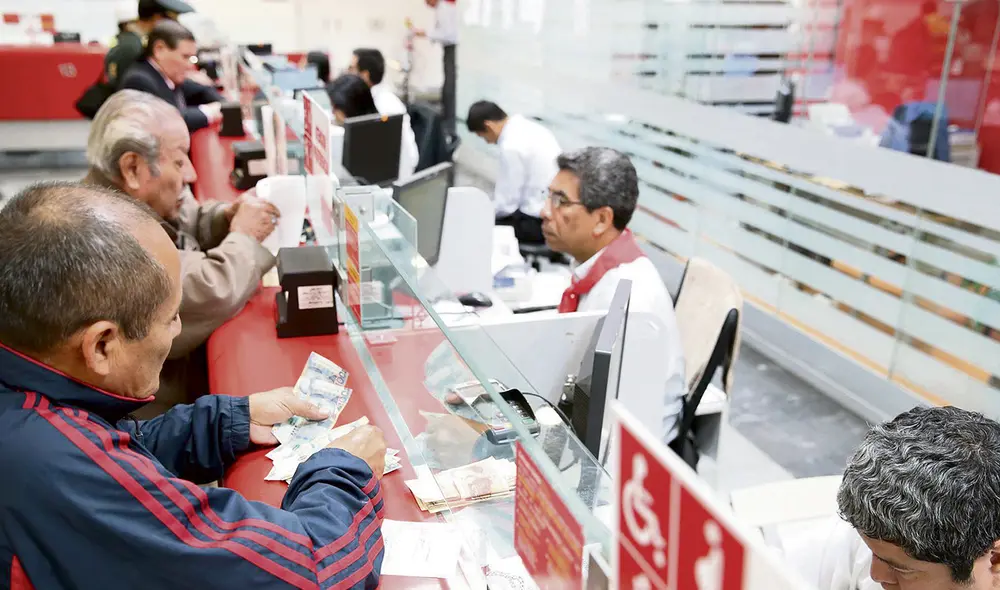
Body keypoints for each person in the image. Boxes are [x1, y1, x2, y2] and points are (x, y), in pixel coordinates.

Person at [0, 181, 387, 589]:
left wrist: (227, 421)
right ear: (101, 345)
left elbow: (105, 442)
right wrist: (344, 470)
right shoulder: (54, 464)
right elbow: (312, 572)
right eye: (169, 319)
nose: (180, 329)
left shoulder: (31, 400)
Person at [84, 90, 278, 416]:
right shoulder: (104, 239)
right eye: (178, 160)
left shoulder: (125, 195)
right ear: (132, 168)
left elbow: (185, 218)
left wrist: (225, 217)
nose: (191, 173)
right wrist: (243, 236)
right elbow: (206, 290)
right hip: (146, 423)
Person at [543, 147, 685, 442]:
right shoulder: (596, 271)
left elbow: (619, 433)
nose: (545, 211)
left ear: (602, 220)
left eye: (561, 201)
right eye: (549, 196)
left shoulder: (630, 305)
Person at [790, 406, 1000, 590]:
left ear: (994, 560)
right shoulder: (887, 534)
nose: (876, 575)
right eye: (873, 552)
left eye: (901, 570)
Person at [467, 100, 561, 245]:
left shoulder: (510, 146)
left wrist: (480, 213)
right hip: (555, 214)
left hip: (536, 222)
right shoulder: (532, 128)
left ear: (488, 126)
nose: (487, 142)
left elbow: (506, 205)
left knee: (474, 226)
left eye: (482, 136)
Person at [121, 20, 224, 132]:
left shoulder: (168, 75)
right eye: (185, 57)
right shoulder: (139, 81)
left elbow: (203, 90)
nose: (190, 65)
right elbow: (168, 122)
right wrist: (209, 112)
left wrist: (226, 105)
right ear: (159, 49)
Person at [349, 48, 419, 179]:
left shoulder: (385, 107)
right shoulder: (371, 98)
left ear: (365, 75)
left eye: (352, 69)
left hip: (394, 180)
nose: (349, 73)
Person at [105, 0, 194, 90]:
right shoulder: (133, 47)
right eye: (172, 21)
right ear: (157, 18)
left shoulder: (134, 40)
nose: (175, 27)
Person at [409, 0, 458, 138]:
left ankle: (449, 125)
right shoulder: (442, 8)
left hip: (451, 47)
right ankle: (447, 120)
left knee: (450, 86)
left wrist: (425, 33)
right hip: (448, 48)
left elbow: (448, 34)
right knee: (448, 84)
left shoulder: (445, 8)